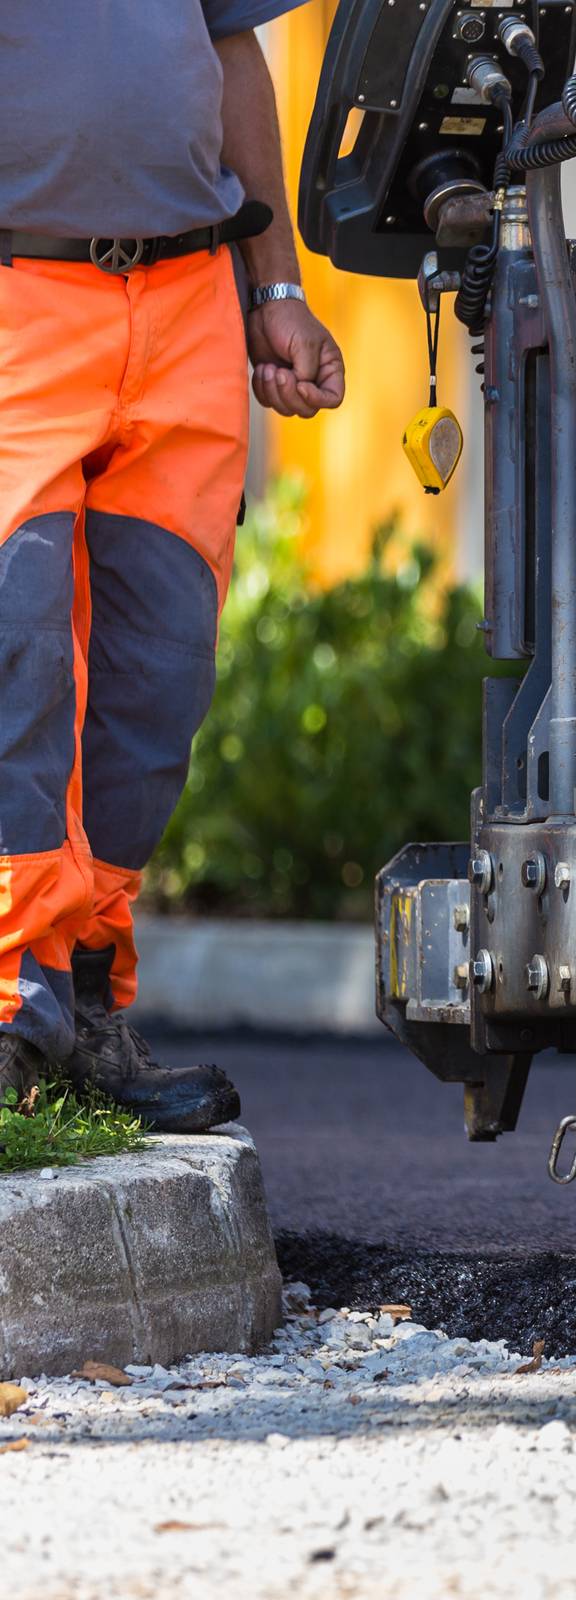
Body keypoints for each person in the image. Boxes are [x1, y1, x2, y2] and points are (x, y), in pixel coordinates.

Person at [0, 4, 343, 1131]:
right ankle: (9, 1003)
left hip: (186, 301)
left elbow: (230, 52)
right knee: (20, 651)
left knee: (156, 681)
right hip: (19, 294)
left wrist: (276, 288)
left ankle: (79, 1002)